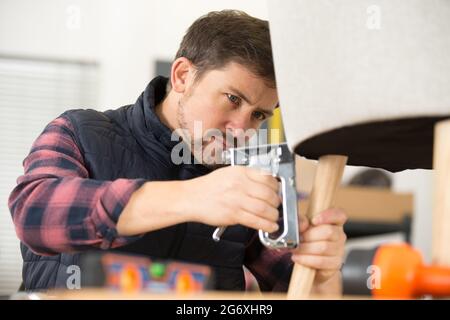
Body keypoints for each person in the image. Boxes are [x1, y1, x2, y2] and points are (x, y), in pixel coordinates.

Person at [9, 10, 347, 293]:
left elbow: (301, 289)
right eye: (233, 99)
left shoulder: (247, 182)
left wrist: (322, 268)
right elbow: (34, 214)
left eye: (259, 115)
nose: (242, 130)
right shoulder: (78, 132)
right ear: (183, 75)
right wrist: (193, 197)